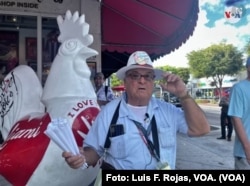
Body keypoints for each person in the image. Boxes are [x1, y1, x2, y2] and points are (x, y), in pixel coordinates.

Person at [62, 51, 210, 170]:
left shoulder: (168, 111)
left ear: (153, 82)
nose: (142, 81)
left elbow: (201, 129)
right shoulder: (109, 113)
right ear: (125, 81)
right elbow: (94, 151)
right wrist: (81, 158)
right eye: (135, 76)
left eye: (148, 76)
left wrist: (183, 95)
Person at [228, 56, 250, 169]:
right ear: (248, 68)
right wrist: (247, 148)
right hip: (245, 155)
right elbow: (236, 119)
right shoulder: (239, 88)